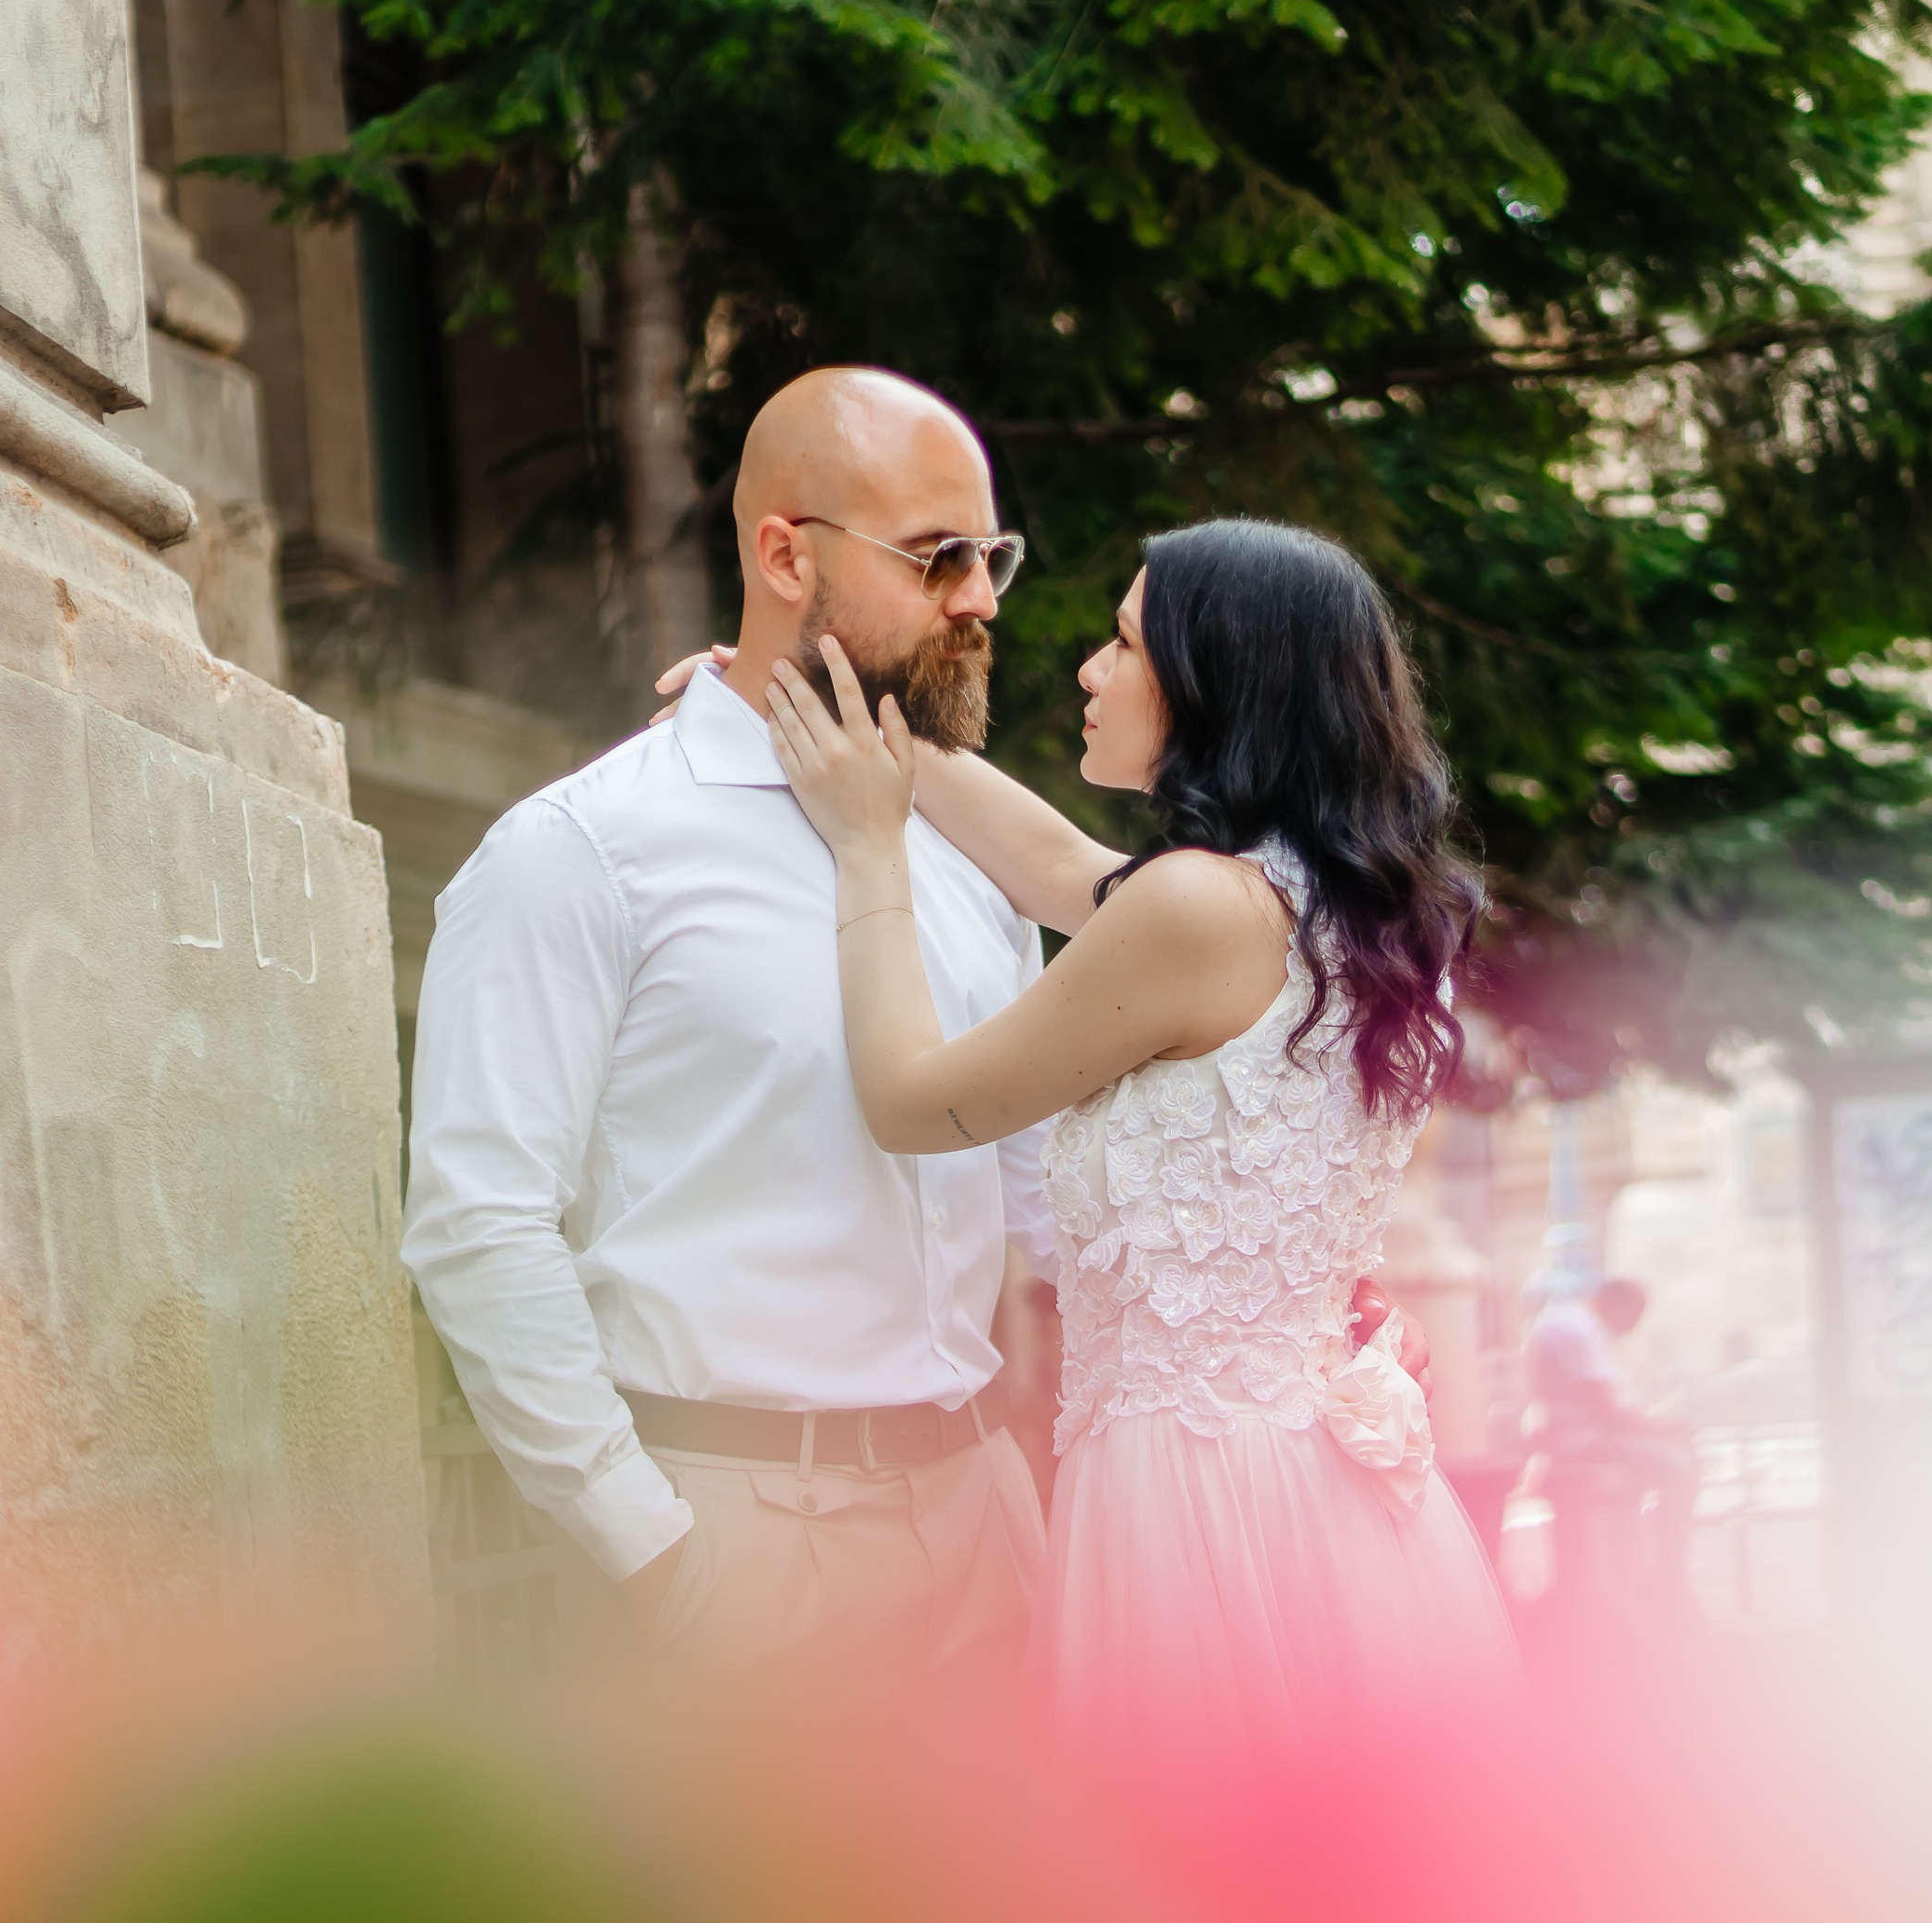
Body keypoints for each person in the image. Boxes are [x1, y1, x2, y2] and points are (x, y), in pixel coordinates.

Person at [742, 516, 1517, 1771]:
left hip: (1202, 1504)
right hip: (1309, 1491)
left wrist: (871, 843)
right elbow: (1057, 865)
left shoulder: (1197, 910)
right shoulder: (1332, 908)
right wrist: (812, 695)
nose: (1089, 673)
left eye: (1120, 643)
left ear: (1220, 684)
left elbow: (909, 1098)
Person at [401, 367, 1059, 1699]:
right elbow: (478, 1224)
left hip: (993, 1533)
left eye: (991, 556)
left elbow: (1034, 1202)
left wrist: (1031, 1476)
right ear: (783, 554)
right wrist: (660, 1559)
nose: (981, 599)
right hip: (743, 1545)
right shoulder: (581, 851)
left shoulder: (982, 860)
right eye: (938, 558)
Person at [1523, 1269, 1697, 1614]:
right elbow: (1604, 1408)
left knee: (1678, 1455)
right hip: (1582, 1440)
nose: (1631, 1329)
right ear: (1615, 1301)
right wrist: (1659, 1430)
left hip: (1584, 1434)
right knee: (1681, 1467)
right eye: (1633, 1317)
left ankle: (1663, 1566)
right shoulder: (1579, 1329)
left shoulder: (1575, 1322)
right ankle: (1669, 1571)